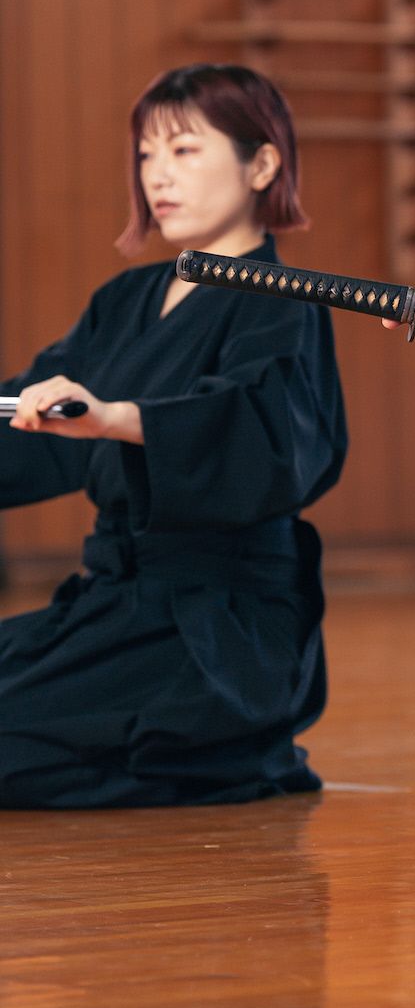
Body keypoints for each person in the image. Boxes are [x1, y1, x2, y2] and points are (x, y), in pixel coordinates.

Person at [0, 64, 346, 807]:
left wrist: (118, 418)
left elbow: (263, 433)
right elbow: (32, 412)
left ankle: (225, 747)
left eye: (184, 150)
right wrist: (70, 412)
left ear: (261, 163)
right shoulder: (125, 300)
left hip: (216, 628)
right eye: (147, 155)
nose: (159, 175)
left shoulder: (285, 303)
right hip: (111, 604)